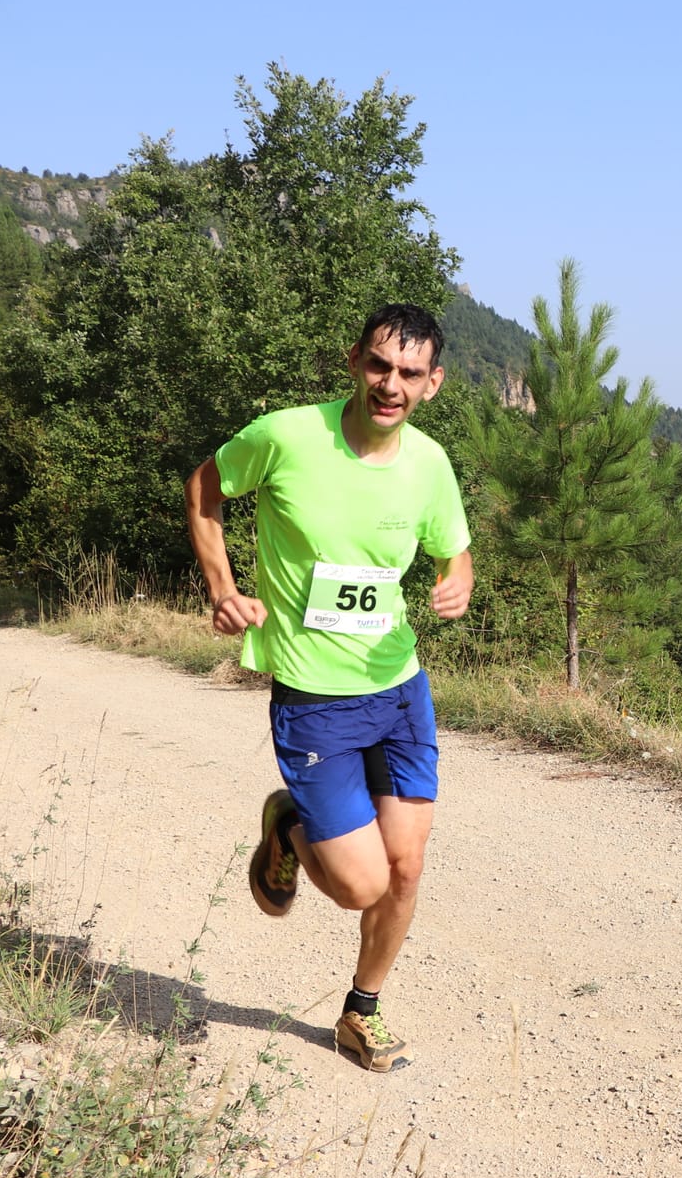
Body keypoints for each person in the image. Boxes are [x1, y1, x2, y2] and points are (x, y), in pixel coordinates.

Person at [185, 303, 472, 1073]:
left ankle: (360, 1012)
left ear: (432, 383)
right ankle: (288, 824)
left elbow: (455, 551)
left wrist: (457, 585)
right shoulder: (286, 436)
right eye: (380, 365)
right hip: (314, 699)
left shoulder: (430, 463)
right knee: (360, 883)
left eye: (410, 373)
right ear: (355, 360)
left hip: (400, 689)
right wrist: (222, 586)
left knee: (406, 868)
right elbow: (205, 488)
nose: (391, 384)